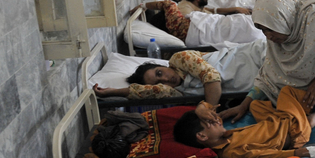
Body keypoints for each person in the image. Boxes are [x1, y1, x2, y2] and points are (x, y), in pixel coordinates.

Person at [173, 88, 315, 158]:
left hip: (275, 123)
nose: (217, 120)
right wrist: (300, 153)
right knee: (287, 92)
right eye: (211, 122)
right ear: (202, 136)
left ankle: (303, 118)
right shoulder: (230, 153)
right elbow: (263, 156)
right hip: (292, 133)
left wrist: (201, 109)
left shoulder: (225, 136)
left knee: (255, 105)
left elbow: (206, 107)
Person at [92, 42, 266, 104]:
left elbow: (211, 77)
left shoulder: (179, 59)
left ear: (162, 65)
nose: (166, 79)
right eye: (160, 82)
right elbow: (150, 92)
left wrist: (209, 110)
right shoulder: (179, 93)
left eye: (159, 73)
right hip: (263, 79)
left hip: (256, 56)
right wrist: (112, 92)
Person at [140, 0, 264, 48]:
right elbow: (168, 4)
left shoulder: (179, 34)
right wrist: (143, 5)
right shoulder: (178, 24)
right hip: (210, 28)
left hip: (222, 32)